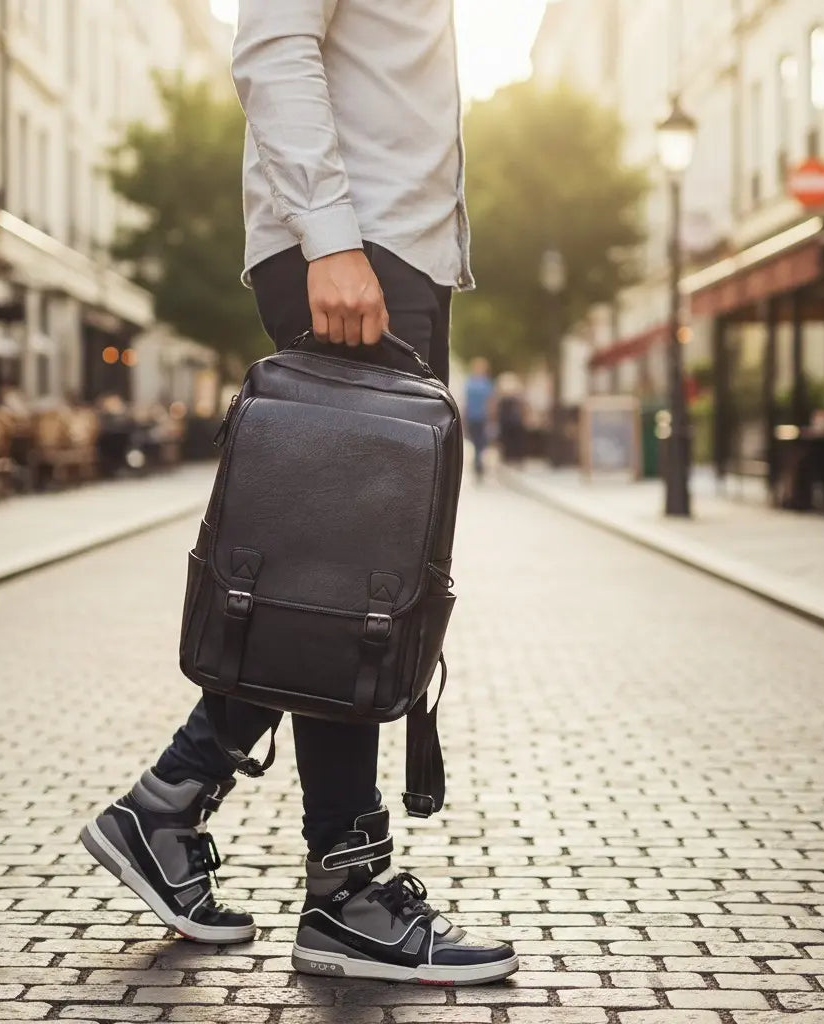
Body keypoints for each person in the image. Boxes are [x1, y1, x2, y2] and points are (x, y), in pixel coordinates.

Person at [80, 0, 518, 985]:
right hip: (358, 247)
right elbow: (273, 41)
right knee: (354, 570)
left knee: (352, 568)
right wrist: (330, 237)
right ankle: (339, 892)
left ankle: (183, 811)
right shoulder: (343, 247)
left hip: (386, 247)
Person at [464, 357, 495, 480]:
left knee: (479, 441)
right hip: (476, 416)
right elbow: (490, 402)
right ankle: (478, 463)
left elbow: (490, 402)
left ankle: (478, 463)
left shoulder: (472, 383)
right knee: (479, 441)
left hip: (480, 416)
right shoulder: (484, 383)